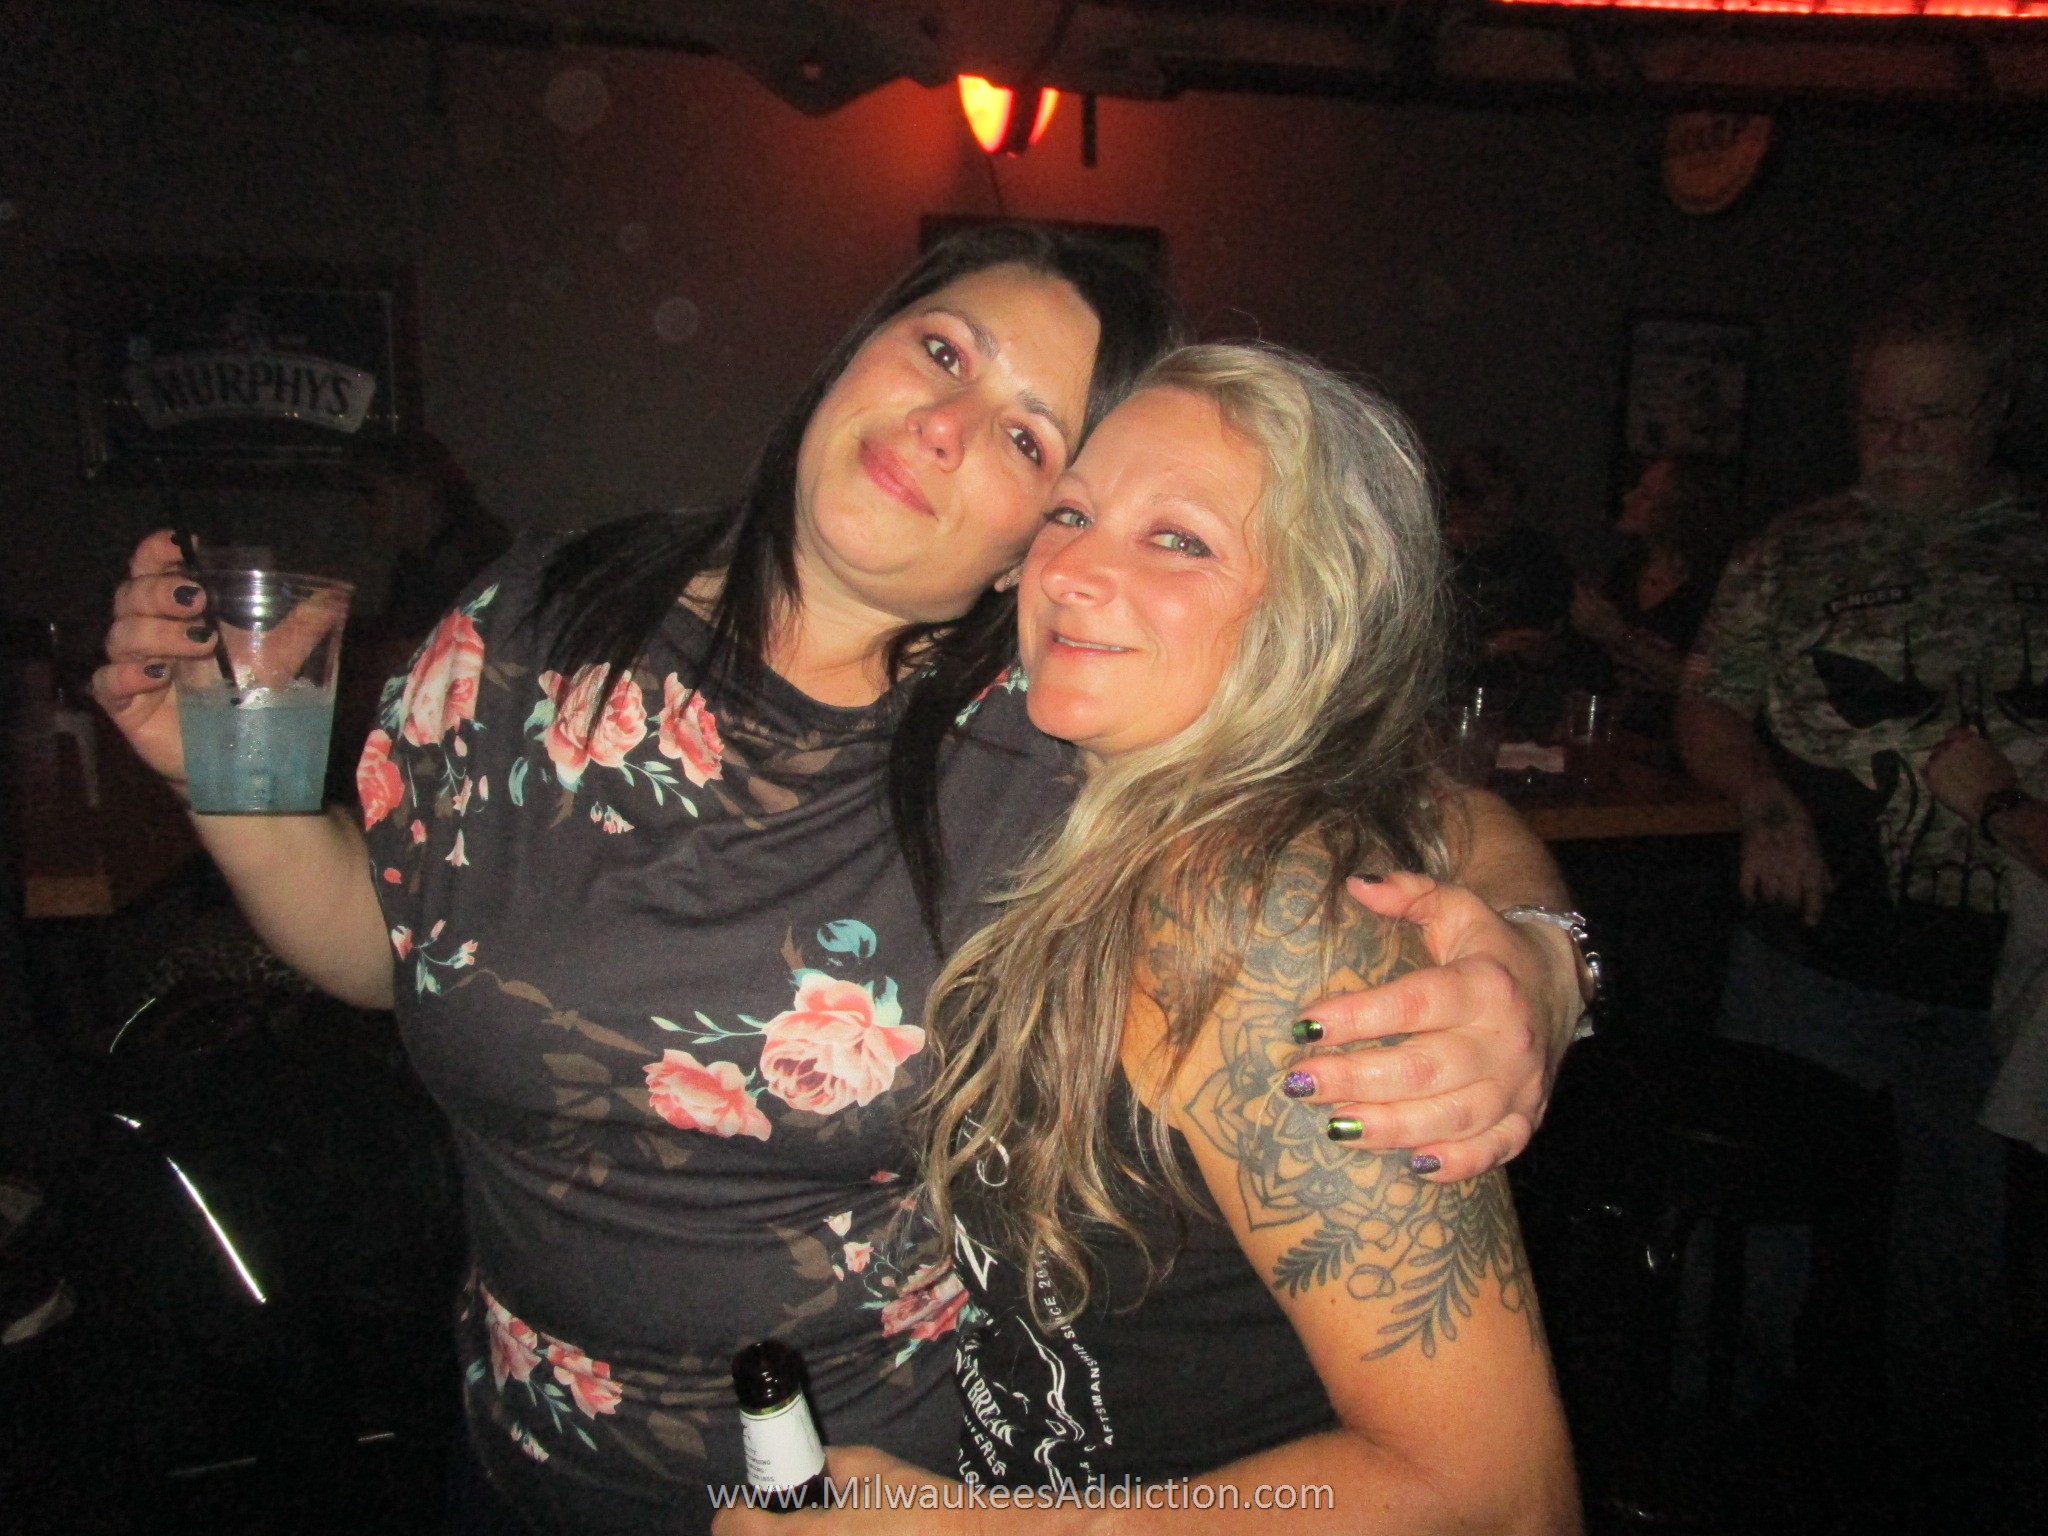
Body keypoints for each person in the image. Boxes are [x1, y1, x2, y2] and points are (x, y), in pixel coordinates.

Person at [96, 227, 1585, 1534]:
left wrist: (1531, 951)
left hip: (882, 1496)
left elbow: (1377, 801)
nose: (945, 424)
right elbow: (392, 948)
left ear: (1015, 550)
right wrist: (227, 784)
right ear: (853, 353)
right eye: (943, 351)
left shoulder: (1056, 716)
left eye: (1027, 442)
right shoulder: (542, 618)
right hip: (513, 1458)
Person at [722, 344, 1578, 1534]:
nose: (1072, 570)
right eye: (1069, 514)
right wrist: (1546, 944)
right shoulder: (1081, 791)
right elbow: (1450, 807)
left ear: (1314, 613)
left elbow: (1498, 1496)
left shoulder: (1260, 920)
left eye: (1178, 539)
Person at [1675, 286, 2044, 1477]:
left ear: (1993, 408)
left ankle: (1934, 1477)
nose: (1897, 440)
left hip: (1998, 982)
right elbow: (1708, 704)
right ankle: (1708, 1455)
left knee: (1957, 1250)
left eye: (1928, 415)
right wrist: (1762, 798)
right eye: (1876, 416)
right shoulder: (1790, 549)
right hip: (1814, 951)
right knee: (1753, 1236)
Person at [1570, 455, 1735, 739]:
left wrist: (1622, 637)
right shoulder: (1626, 572)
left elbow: (1716, 683)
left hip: (1686, 743)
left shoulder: (1717, 586)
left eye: (1646, 494)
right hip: (1616, 736)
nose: (1628, 498)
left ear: (1681, 509)